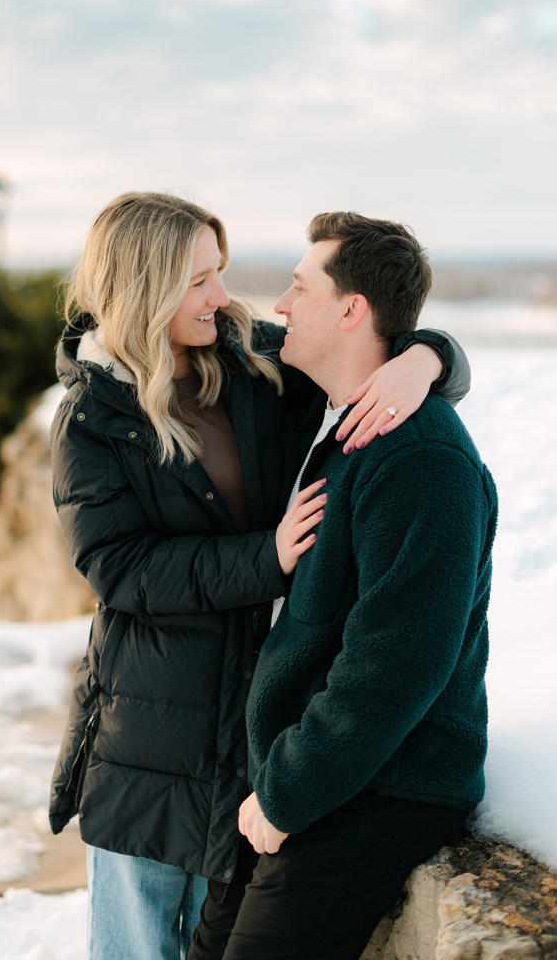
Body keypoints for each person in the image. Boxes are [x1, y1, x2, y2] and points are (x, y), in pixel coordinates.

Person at [47, 192, 471, 960]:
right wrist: (266, 557)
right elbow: (118, 568)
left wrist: (427, 358)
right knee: (138, 942)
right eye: (199, 279)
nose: (225, 296)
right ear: (147, 285)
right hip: (153, 718)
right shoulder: (91, 419)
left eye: (221, 272)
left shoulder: (248, 360)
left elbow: (363, 330)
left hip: (252, 716)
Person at [189, 211, 497, 960]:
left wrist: (290, 790)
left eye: (299, 287)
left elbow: (393, 665)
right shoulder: (355, 425)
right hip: (317, 776)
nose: (281, 306)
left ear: (353, 310)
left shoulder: (422, 461)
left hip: (380, 789)